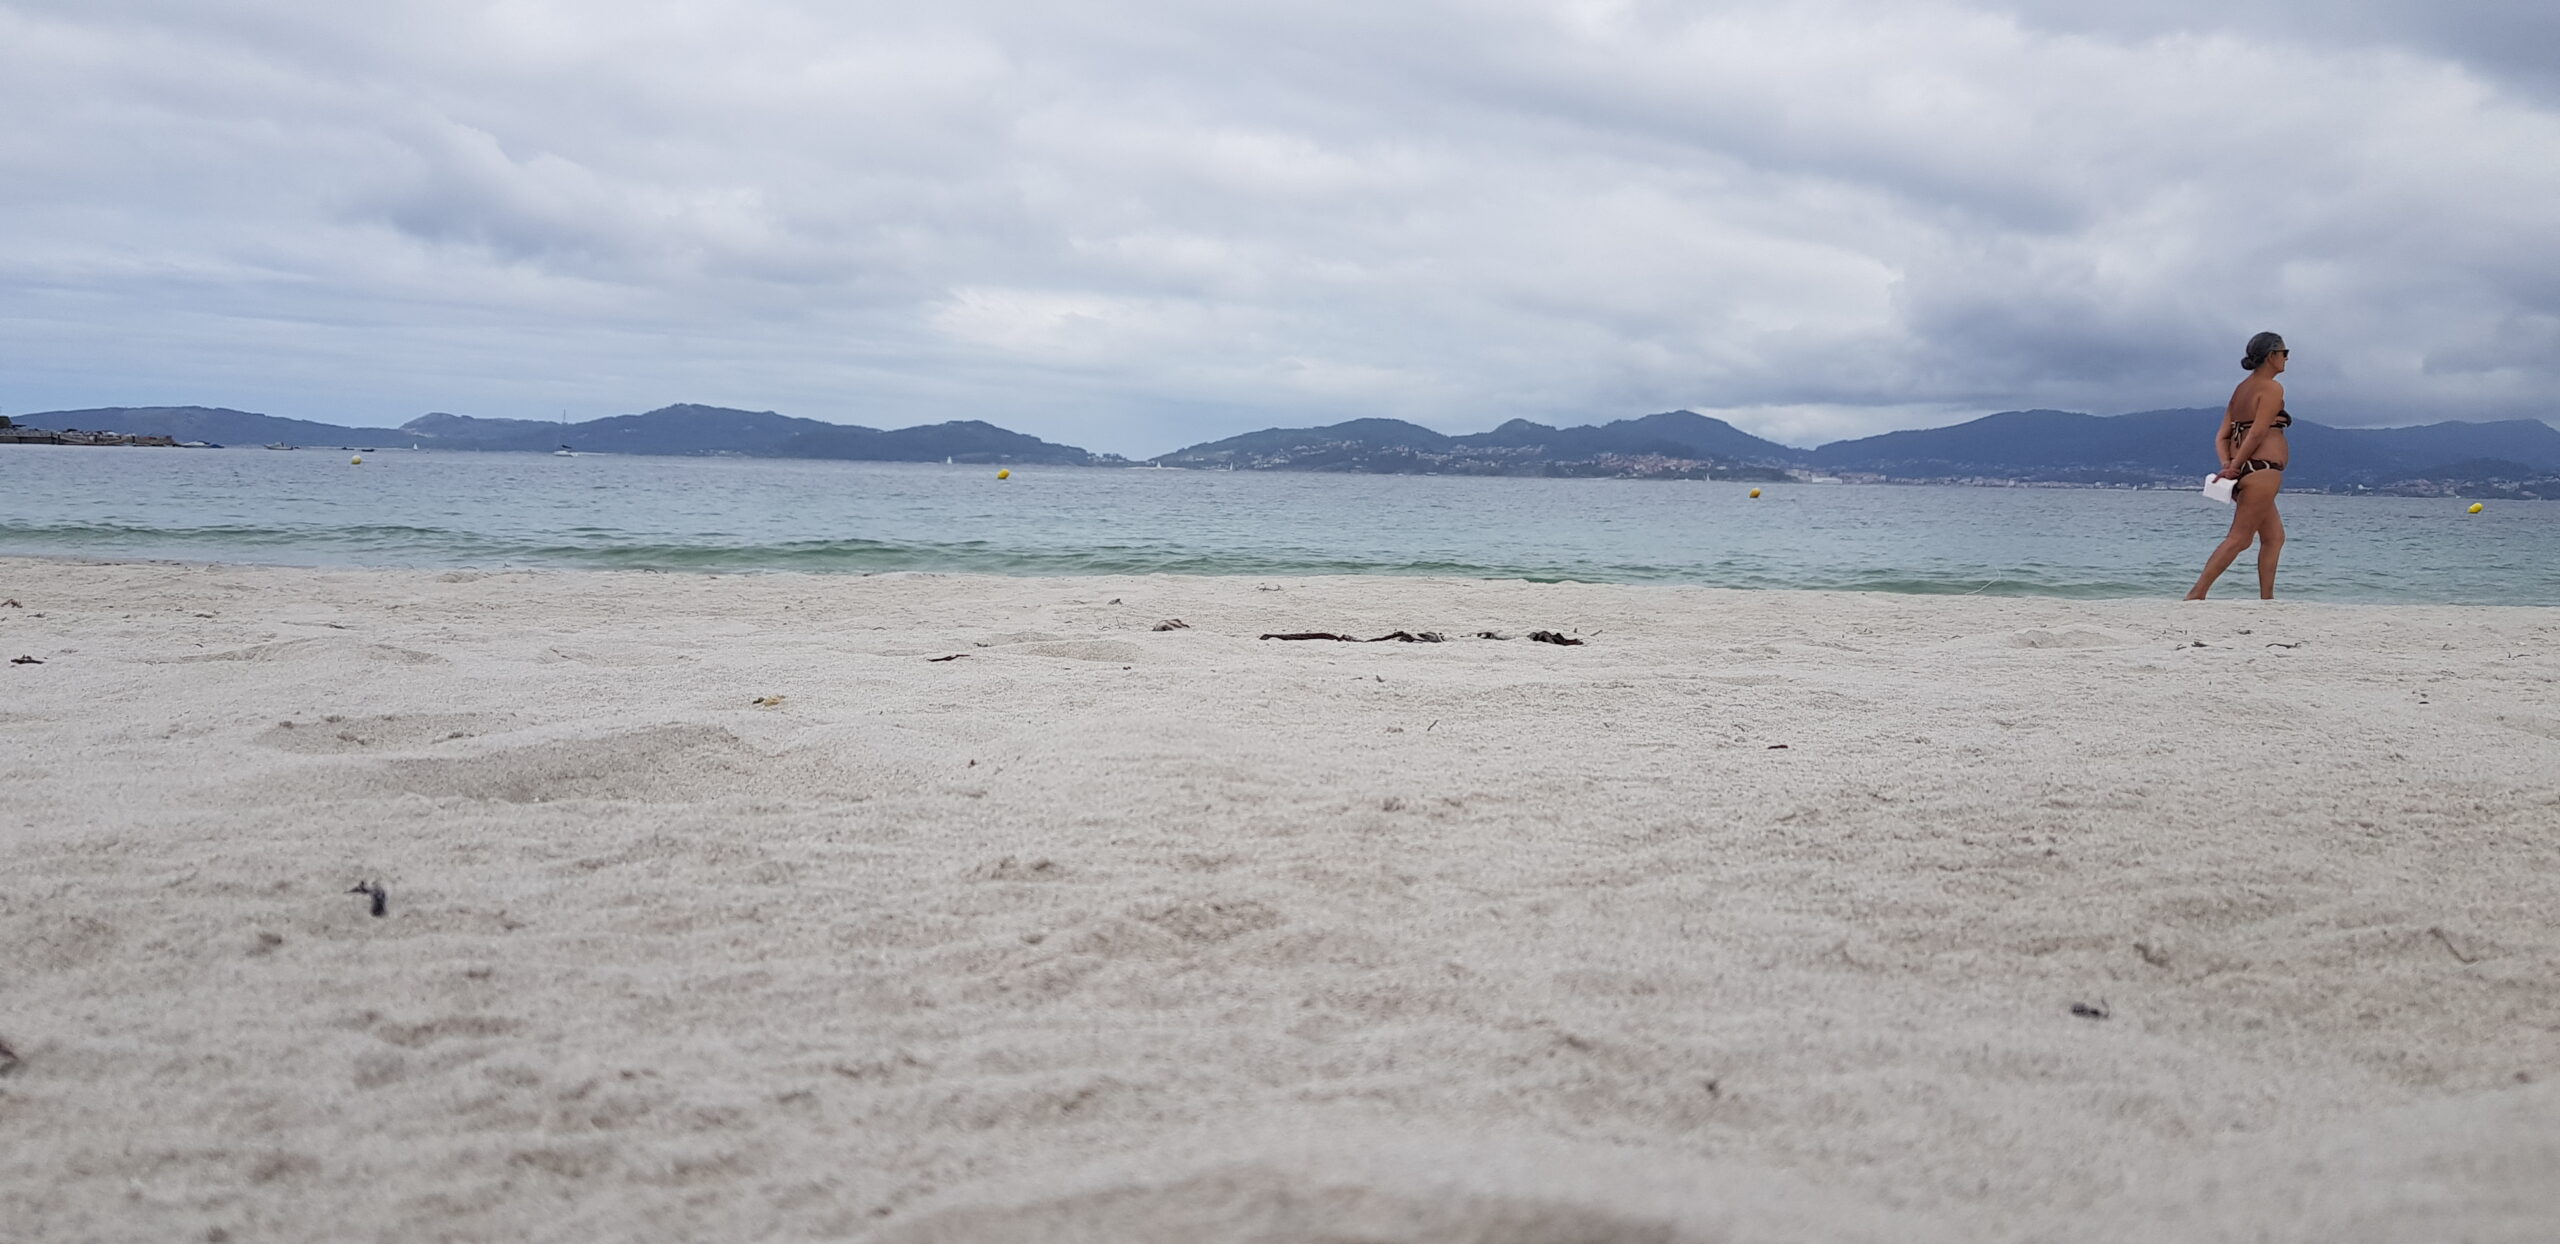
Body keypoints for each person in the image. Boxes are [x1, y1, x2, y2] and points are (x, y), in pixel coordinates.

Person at [2185, 332, 2293, 600]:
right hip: (2261, 469)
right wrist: (2236, 466)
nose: (2286, 359)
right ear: (2271, 356)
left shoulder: (2241, 389)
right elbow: (2257, 433)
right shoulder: (2271, 388)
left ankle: (2267, 599)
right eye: (2284, 353)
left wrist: (2229, 464)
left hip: (2246, 470)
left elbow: (2221, 435)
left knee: (2274, 537)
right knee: (2240, 538)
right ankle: (2196, 593)